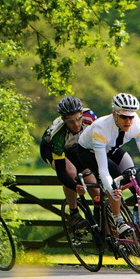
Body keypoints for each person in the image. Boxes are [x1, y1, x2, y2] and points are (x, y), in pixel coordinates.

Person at [77, 92, 140, 236]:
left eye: (131, 117)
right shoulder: (101, 128)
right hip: (88, 152)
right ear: (115, 114)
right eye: (123, 117)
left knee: (137, 182)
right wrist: (112, 187)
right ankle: (117, 219)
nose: (128, 121)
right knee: (115, 176)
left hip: (113, 148)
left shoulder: (138, 126)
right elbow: (103, 169)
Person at [40, 96, 99, 230]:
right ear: (63, 120)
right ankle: (74, 213)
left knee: (94, 188)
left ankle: (100, 220)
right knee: (71, 172)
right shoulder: (58, 135)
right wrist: (75, 186)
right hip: (51, 149)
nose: (76, 124)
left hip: (75, 147)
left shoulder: (90, 118)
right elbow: (61, 172)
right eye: (70, 121)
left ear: (82, 114)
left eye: (78, 118)